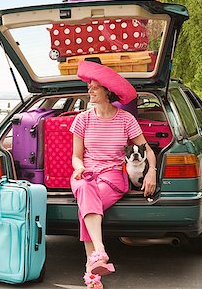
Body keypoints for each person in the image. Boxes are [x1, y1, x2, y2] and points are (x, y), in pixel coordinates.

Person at [69, 61, 157, 288]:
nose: (89, 90)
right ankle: (99, 252)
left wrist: (152, 173)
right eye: (89, 86)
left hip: (113, 175)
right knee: (86, 191)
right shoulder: (82, 119)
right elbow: (76, 156)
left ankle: (92, 272)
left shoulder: (126, 119)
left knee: (85, 210)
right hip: (84, 174)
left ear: (107, 91)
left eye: (94, 87)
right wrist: (79, 167)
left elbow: (146, 150)